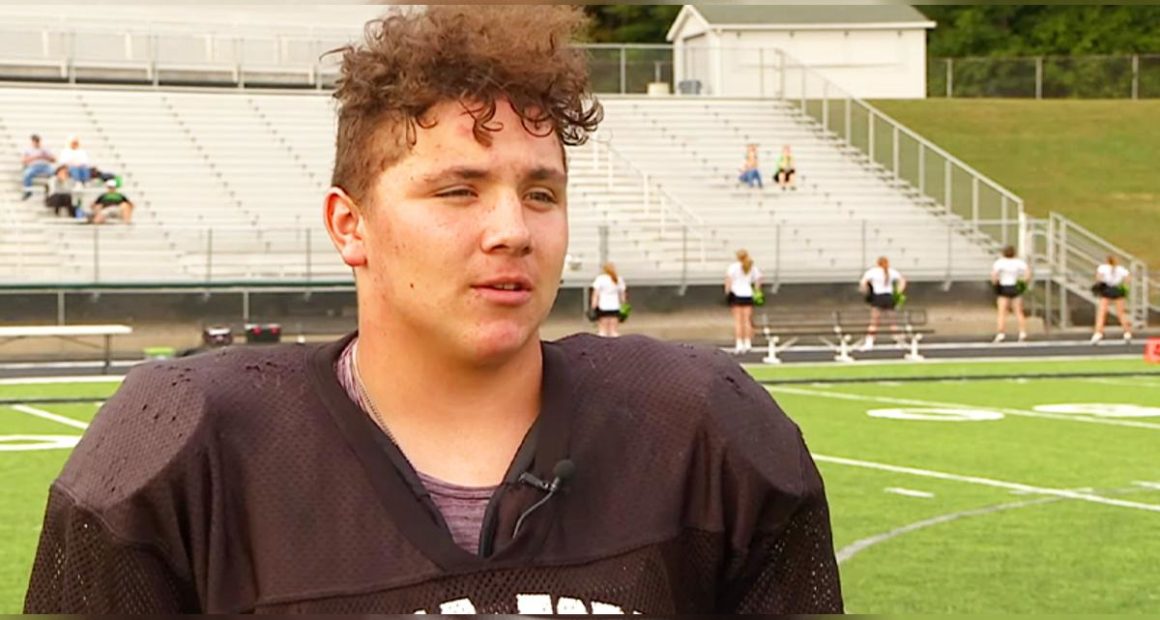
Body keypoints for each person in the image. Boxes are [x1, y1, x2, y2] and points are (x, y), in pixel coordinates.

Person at [24, 6, 841, 615]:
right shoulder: (189, 451)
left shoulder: (701, 432)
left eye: (541, 193)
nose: (513, 230)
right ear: (350, 226)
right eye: (458, 191)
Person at [858, 256, 906, 351]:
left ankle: (869, 343)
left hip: (878, 297)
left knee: (874, 322)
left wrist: (866, 291)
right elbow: (902, 280)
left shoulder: (873, 272)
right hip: (889, 297)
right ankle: (899, 341)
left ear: (878, 263)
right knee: (893, 322)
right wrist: (898, 291)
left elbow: (863, 283)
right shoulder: (891, 271)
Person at [991, 245, 1031, 343]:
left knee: (1002, 312)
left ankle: (1001, 334)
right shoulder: (1019, 262)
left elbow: (994, 276)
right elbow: (1027, 274)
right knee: (1018, 311)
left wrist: (996, 286)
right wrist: (1022, 285)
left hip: (1004, 287)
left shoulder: (999, 262)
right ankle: (1022, 333)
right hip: (1015, 287)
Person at [725, 249, 762, 354]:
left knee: (738, 321)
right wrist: (757, 291)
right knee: (747, 320)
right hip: (748, 294)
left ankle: (739, 344)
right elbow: (759, 279)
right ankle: (747, 343)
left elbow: (728, 281)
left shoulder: (733, 267)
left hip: (736, 294)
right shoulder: (752, 267)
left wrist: (727, 293)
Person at [1091, 255, 1133, 343]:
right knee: (1121, 313)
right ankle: (1127, 333)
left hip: (1107, 290)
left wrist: (1101, 284)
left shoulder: (1103, 268)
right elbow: (1128, 279)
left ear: (1107, 261)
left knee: (1102, 313)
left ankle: (1098, 333)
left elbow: (1098, 278)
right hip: (1117, 289)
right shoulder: (1121, 269)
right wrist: (1122, 285)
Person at [590, 262, 627, 337]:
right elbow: (622, 295)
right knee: (614, 331)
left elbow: (596, 294)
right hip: (615, 306)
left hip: (603, 306)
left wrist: (594, 305)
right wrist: (623, 304)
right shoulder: (618, 279)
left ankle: (603, 343)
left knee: (602, 330)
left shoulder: (600, 279)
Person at [20, 134, 56, 200]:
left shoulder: (45, 149)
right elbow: (23, 161)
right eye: (35, 141)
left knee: (53, 173)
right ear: (32, 142)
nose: (36, 143)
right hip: (33, 166)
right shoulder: (28, 150)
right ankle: (28, 191)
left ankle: (50, 190)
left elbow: (54, 160)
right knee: (27, 173)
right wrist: (34, 157)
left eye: (37, 141)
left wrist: (46, 157)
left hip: (45, 166)